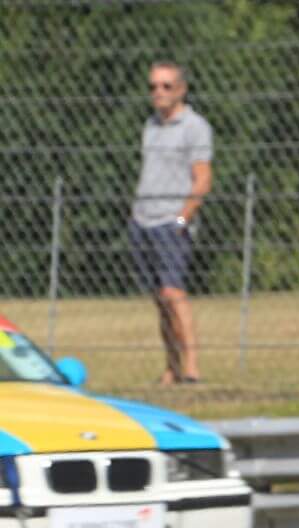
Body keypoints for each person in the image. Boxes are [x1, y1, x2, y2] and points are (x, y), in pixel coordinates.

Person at [130, 61, 213, 385]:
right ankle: (171, 367)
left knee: (174, 293)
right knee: (159, 299)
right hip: (143, 219)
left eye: (166, 86)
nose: (158, 93)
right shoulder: (150, 125)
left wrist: (183, 218)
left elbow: (203, 179)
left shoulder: (195, 126)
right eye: (153, 86)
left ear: (181, 89)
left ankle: (192, 368)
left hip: (171, 221)